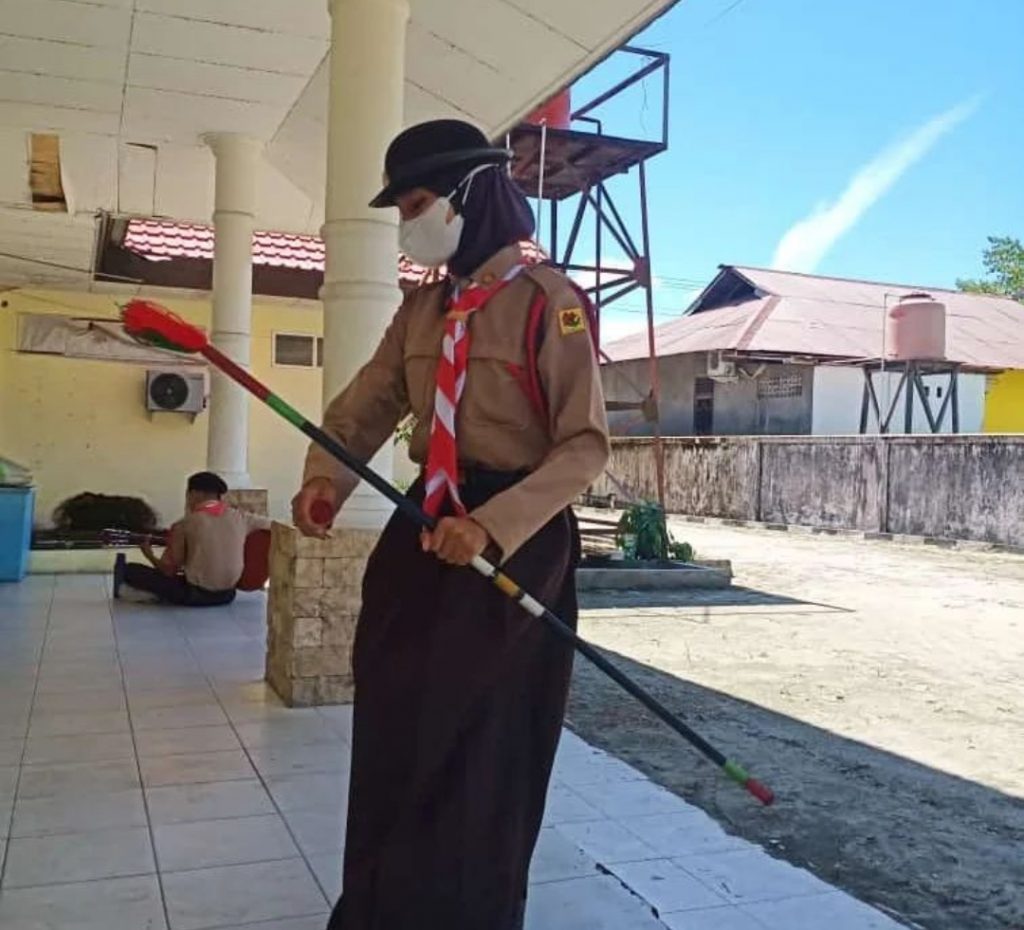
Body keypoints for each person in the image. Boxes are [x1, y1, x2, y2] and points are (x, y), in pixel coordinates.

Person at [291, 119, 610, 930]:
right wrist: (325, 477)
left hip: (513, 541)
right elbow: (367, 403)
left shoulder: (550, 304)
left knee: (481, 744)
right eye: (402, 208)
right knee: (394, 720)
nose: (409, 223)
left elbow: (584, 447)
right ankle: (381, 905)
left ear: (473, 195)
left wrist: (493, 526)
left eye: (419, 204)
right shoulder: (422, 309)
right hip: (427, 525)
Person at [113, 471, 269, 607]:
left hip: (196, 596)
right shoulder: (242, 518)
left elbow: (168, 570)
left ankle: (144, 593)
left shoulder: (184, 524)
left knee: (131, 569)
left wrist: (148, 554)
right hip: (228, 596)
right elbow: (274, 526)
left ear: (195, 494)